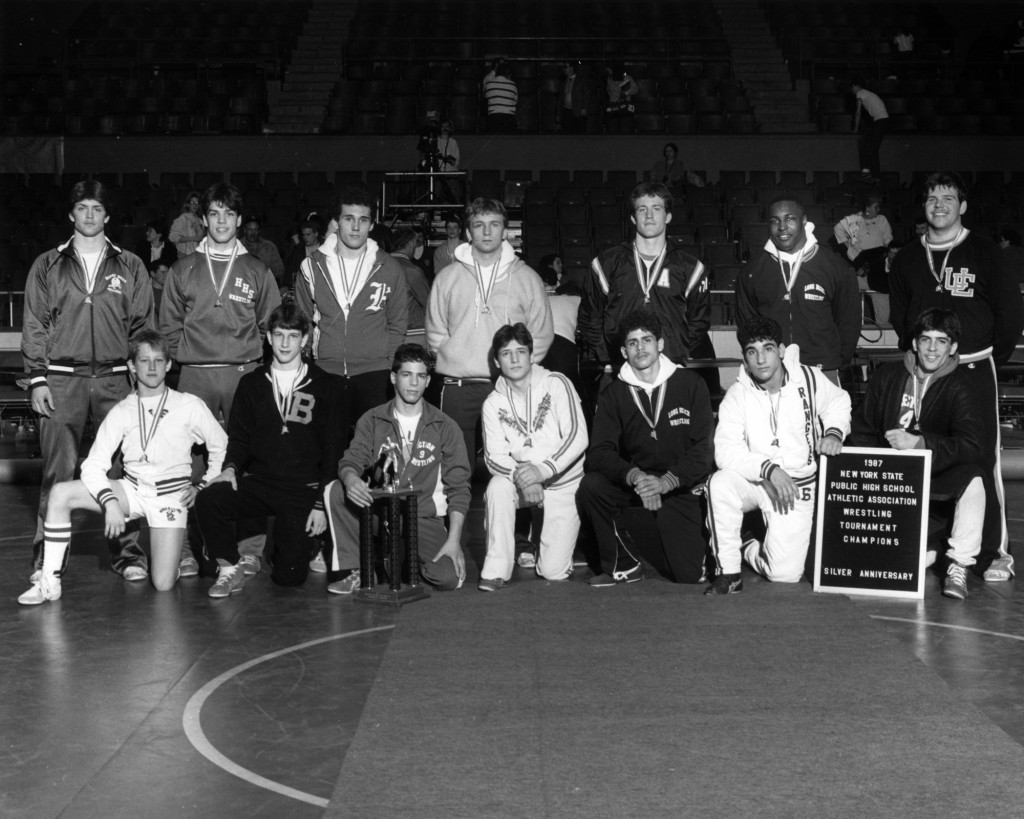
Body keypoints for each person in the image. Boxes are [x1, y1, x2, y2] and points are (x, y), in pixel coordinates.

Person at [18, 331, 227, 605]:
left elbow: (221, 445)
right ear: (131, 366)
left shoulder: (188, 405)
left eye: (158, 361)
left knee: (163, 584)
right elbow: (93, 464)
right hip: (133, 491)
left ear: (168, 365)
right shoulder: (122, 411)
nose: (151, 368)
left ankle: (174, 556)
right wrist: (110, 502)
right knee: (60, 493)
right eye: (144, 361)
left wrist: (203, 486)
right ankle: (49, 580)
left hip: (170, 496)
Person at [889, 171, 1024, 581]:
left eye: (948, 198)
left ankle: (994, 552)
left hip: (973, 367)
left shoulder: (985, 252)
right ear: (924, 206)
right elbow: (899, 316)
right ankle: (932, 543)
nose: (940, 205)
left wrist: (985, 358)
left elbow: (1010, 315)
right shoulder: (909, 256)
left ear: (962, 206)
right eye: (932, 198)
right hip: (924, 370)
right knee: (924, 453)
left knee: (982, 458)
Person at [22, 180, 153, 582]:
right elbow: (35, 324)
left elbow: (143, 326)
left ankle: (129, 556)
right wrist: (38, 379)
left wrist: (142, 382)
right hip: (62, 382)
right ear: (71, 214)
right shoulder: (47, 264)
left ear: (108, 215)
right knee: (57, 474)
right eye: (83, 207)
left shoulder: (130, 264)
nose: (90, 215)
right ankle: (48, 560)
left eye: (97, 208)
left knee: (121, 472)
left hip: (116, 382)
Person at [160, 182, 282, 576]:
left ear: (240, 220)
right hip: (195, 375)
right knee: (186, 463)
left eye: (229, 214)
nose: (222, 221)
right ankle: (184, 549)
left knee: (248, 460)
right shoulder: (183, 269)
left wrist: (252, 363)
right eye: (215, 213)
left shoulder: (256, 269)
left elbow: (272, 324)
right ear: (204, 219)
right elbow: (167, 327)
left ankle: (249, 547)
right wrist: (191, 358)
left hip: (244, 374)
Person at [195, 303, 343, 597]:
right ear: (269, 338)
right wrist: (230, 469)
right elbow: (238, 439)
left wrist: (319, 505)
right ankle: (230, 567)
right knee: (209, 499)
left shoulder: (326, 385)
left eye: (292, 335)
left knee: (289, 577)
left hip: (303, 488)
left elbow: (333, 450)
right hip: (260, 483)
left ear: (304, 339)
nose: (285, 343)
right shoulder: (251, 383)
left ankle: (299, 542)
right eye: (278, 335)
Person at [704, 317, 851, 594]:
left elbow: (839, 402)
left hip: (796, 487)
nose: (760, 359)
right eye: (752, 352)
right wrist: (768, 469)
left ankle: (748, 543)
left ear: (781, 350)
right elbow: (726, 450)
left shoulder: (808, 377)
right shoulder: (737, 394)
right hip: (758, 481)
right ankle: (729, 572)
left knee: (785, 574)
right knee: (719, 483)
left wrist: (833, 432)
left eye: (768, 348)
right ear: (744, 358)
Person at [850, 308, 986, 600]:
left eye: (941, 341)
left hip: (934, 479)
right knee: (888, 567)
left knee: (974, 479)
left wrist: (921, 443)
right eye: (926, 340)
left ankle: (959, 564)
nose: (932, 349)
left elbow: (972, 445)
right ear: (914, 343)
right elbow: (862, 428)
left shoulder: (962, 385)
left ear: (953, 347)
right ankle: (931, 548)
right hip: (890, 481)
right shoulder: (887, 376)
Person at [577, 309, 714, 586]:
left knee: (689, 576)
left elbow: (704, 450)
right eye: (632, 342)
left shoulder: (690, 384)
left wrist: (668, 481)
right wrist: (635, 476)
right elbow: (599, 453)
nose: (640, 347)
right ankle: (624, 563)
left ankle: (723, 538)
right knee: (592, 486)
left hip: (680, 483)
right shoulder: (613, 393)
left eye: (647, 339)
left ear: (660, 344)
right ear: (624, 351)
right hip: (639, 482)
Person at [326, 343, 471, 593]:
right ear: (394, 377)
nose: (413, 383)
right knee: (335, 490)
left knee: (448, 579)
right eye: (406, 375)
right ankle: (358, 570)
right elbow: (351, 460)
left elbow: (459, 488)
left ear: (427, 381)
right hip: (379, 512)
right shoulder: (372, 419)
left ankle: (404, 558)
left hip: (422, 517)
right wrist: (351, 479)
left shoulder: (445, 426)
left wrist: (454, 540)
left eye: (421, 376)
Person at [426, 197, 553, 461]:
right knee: (455, 467)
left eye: (494, 224)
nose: (486, 231)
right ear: (468, 232)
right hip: (458, 386)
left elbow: (540, 333)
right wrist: (454, 359)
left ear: (505, 231)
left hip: (508, 385)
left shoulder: (527, 277)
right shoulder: (447, 277)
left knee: (514, 464)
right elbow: (436, 331)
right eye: (478, 224)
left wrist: (517, 371)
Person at [294, 186, 409, 445]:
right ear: (336, 223)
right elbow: (302, 322)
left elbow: (397, 324)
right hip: (327, 371)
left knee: (378, 453)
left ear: (371, 225)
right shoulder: (311, 266)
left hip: (375, 373)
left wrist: (389, 367)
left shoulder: (390, 268)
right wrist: (310, 363)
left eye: (363, 220)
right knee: (328, 450)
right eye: (349, 219)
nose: (356, 227)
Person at [479, 323, 588, 590]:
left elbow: (577, 437)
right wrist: (525, 477)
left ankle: (554, 546)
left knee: (553, 572)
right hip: (523, 483)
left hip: (562, 482)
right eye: (506, 353)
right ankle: (495, 571)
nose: (514, 359)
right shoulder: (492, 403)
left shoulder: (557, 383)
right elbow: (494, 456)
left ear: (532, 355)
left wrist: (543, 471)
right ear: (496, 360)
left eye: (520, 351)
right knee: (497, 487)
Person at [580, 181, 710, 373]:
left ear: (668, 216)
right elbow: (590, 318)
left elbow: (698, 322)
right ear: (633, 218)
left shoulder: (691, 268)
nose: (649, 215)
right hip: (620, 368)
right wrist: (609, 357)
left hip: (671, 367)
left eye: (656, 208)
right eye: (642, 209)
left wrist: (677, 351)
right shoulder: (606, 264)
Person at [735, 196, 861, 383]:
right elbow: (747, 326)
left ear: (803, 221)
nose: (782, 227)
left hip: (822, 372)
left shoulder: (836, 267)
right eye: (774, 220)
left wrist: (834, 361)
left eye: (789, 218)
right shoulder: (752, 272)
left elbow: (849, 322)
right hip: (772, 374)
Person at [833, 192, 893, 323]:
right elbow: (838, 228)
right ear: (867, 208)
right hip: (860, 266)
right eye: (876, 207)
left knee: (882, 300)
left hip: (878, 270)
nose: (879, 210)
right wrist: (849, 247)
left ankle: (882, 330)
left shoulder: (882, 220)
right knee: (847, 292)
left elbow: (888, 242)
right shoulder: (854, 220)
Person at [391, 227, 431, 346]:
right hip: (411, 331)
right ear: (410, 244)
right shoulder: (412, 270)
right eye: (414, 244)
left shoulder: (381, 264)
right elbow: (429, 303)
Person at [850, 79, 889, 183]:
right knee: (864, 144)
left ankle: (876, 176)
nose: (852, 90)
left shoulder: (860, 93)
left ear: (856, 86)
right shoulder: (868, 93)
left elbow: (858, 112)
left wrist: (855, 129)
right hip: (879, 121)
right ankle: (866, 172)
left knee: (872, 148)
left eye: (852, 88)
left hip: (881, 121)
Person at [139, 219, 177, 314]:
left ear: (159, 234)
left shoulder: (170, 248)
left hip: (163, 285)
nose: (147, 233)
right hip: (145, 284)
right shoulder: (141, 247)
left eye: (150, 231)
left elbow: (171, 269)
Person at [241, 215, 285, 286]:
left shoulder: (270, 247)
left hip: (265, 286)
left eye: (255, 230)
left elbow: (279, 272)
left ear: (259, 231)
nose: (253, 233)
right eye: (250, 229)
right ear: (244, 230)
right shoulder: (237, 247)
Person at [284, 219, 323, 291]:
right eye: (303, 235)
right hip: (303, 288)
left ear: (316, 234)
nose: (305, 238)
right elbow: (290, 272)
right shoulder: (298, 250)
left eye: (308, 235)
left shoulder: (325, 249)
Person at [483, 59, 518, 133]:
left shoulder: (489, 84)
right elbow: (515, 101)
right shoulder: (512, 85)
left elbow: (486, 98)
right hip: (509, 118)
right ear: (507, 73)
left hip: (493, 118)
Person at [168, 190, 205, 257]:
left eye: (197, 202)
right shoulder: (183, 218)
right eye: (192, 202)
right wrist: (193, 238)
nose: (194, 205)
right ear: (188, 204)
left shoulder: (200, 221)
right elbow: (172, 237)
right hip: (184, 254)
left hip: (196, 254)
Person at [557, 60, 590, 133]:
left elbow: (586, 95)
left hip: (578, 110)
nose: (564, 69)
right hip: (566, 111)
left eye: (566, 67)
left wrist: (584, 108)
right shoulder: (563, 82)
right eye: (564, 67)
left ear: (571, 68)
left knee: (579, 132)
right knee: (567, 132)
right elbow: (560, 99)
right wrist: (559, 113)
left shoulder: (581, 80)